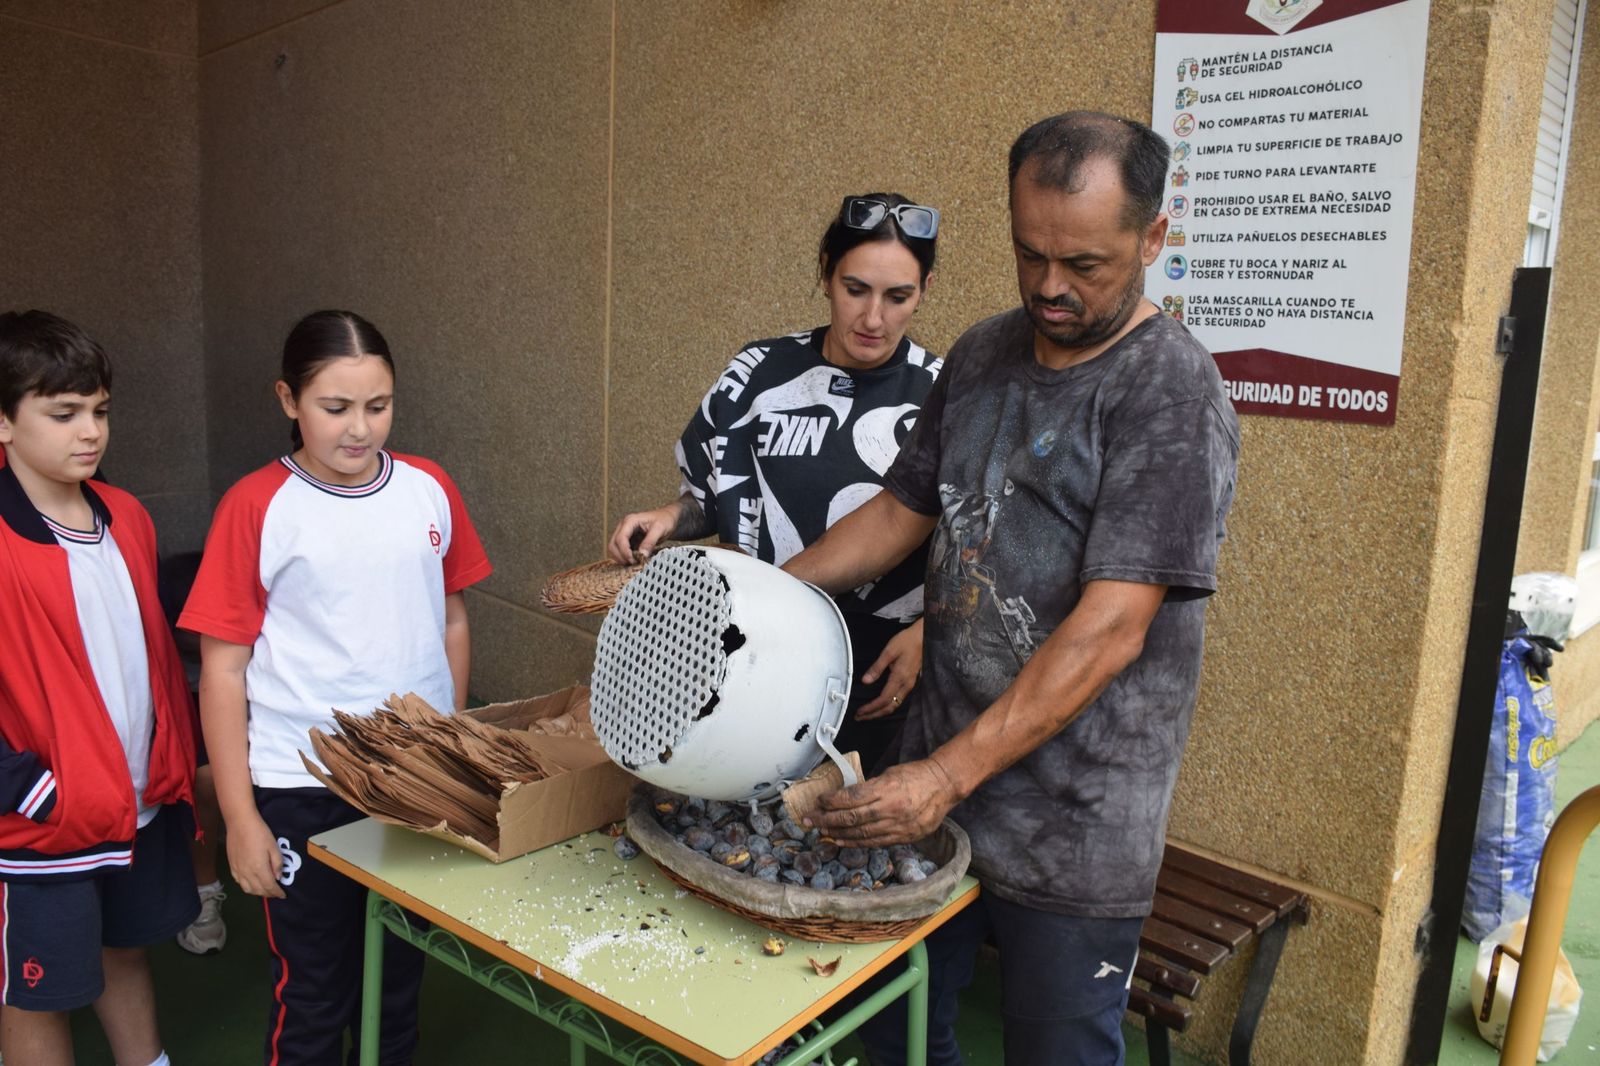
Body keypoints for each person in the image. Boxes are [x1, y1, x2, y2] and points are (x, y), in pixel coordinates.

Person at [785, 112, 1241, 1065]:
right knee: (894, 1032)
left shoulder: (1170, 391)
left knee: (1057, 1052)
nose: (1049, 287)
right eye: (1030, 253)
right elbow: (897, 517)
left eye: (1086, 264)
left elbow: (1114, 626)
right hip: (935, 779)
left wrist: (947, 775)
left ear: (1154, 239)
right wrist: (758, 594)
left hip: (1074, 819)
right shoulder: (987, 352)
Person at [180, 310, 492, 1065]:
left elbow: (450, 619)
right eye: (335, 408)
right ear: (288, 401)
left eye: (377, 406)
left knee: (399, 975)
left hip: (411, 778)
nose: (360, 429)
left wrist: (447, 748)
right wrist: (239, 815)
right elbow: (222, 669)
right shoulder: (256, 506)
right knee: (313, 989)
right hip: (300, 782)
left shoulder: (428, 488)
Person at [608, 193, 942, 770]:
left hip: (878, 669)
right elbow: (719, 498)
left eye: (898, 297)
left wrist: (927, 634)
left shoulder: (943, 395)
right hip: (744, 652)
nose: (873, 319)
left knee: (848, 840)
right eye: (855, 289)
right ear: (825, 275)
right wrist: (671, 518)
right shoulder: (759, 372)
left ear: (924, 290)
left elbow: (980, 549)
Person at [0, 310, 198, 1066]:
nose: (90, 431)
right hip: (40, 820)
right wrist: (29, 789)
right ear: (4, 423)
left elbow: (141, 657)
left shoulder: (130, 518)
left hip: (135, 800)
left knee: (125, 952)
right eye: (63, 413)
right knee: (37, 992)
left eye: (100, 411)